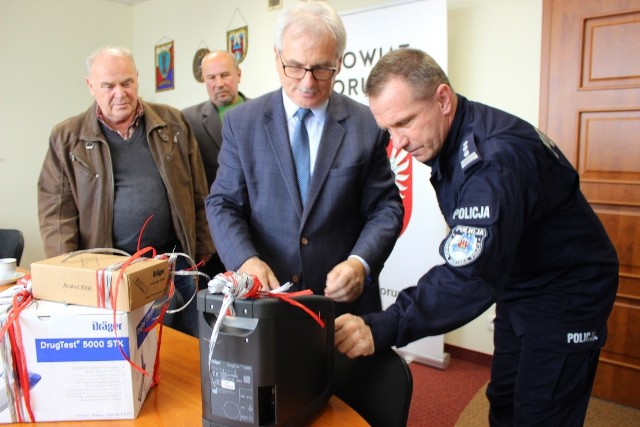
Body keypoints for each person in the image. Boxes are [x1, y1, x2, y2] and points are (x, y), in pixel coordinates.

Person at [335, 48, 619, 426]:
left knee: (542, 412)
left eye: (404, 123)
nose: (397, 144)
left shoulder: (492, 159)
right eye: (389, 130)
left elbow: (469, 274)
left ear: (442, 99)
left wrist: (384, 326)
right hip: (520, 280)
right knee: (505, 400)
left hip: (568, 291)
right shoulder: (453, 140)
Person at [205, 1, 403, 316]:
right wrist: (246, 260)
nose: (308, 82)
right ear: (276, 56)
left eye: (322, 68)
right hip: (266, 301)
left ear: (339, 62)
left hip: (342, 308)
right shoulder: (242, 124)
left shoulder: (367, 124)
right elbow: (222, 204)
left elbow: (385, 207)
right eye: (294, 66)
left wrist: (359, 263)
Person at [37, 46, 214, 337]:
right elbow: (57, 212)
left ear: (138, 79)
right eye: (108, 85)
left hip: (175, 262)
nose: (119, 93)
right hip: (111, 273)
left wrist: (204, 243)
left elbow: (198, 188)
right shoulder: (67, 138)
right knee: (130, 347)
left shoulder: (173, 123)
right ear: (90, 86)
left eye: (127, 82)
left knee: (185, 347)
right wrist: (67, 274)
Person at [183, 50, 248, 280]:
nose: (218, 83)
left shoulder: (260, 114)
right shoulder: (187, 120)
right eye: (211, 78)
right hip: (212, 233)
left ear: (238, 75)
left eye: (225, 75)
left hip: (254, 229)